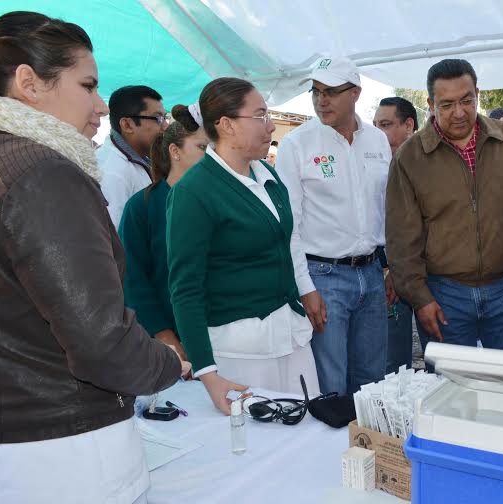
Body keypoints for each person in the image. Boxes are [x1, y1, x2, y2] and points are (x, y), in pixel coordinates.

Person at [0, 11, 185, 504]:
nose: (100, 105)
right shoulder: (43, 174)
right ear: (29, 83)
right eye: (88, 85)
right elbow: (98, 340)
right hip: (65, 445)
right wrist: (167, 363)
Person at [167, 77, 320, 414]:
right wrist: (206, 372)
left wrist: (305, 288)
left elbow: (288, 238)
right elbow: (185, 288)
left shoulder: (267, 175)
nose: (270, 127)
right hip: (241, 351)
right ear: (227, 126)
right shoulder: (194, 192)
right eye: (260, 116)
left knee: (303, 431)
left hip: (288, 336)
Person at [386, 58, 503, 355]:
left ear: (478, 93)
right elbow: (401, 238)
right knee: (450, 392)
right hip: (444, 293)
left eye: (467, 100)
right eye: (447, 104)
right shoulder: (410, 157)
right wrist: (420, 297)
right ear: (431, 103)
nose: (459, 112)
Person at [276, 56, 392, 395]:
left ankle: (367, 447)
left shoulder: (376, 141)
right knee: (331, 382)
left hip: (372, 273)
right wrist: (305, 287)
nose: (320, 100)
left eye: (330, 92)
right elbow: (289, 226)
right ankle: (333, 449)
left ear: (355, 93)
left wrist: (391, 267)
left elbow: (387, 209)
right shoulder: (297, 144)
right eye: (315, 91)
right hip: (323, 277)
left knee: (372, 379)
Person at [119, 104, 209, 364]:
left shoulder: (218, 202)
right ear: (175, 151)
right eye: (202, 147)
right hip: (168, 338)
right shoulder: (142, 207)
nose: (211, 155)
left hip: (220, 332)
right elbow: (133, 276)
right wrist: (163, 334)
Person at [374, 96, 419, 373]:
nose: (378, 133)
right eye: (376, 125)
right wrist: (389, 268)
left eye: (386, 124)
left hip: (432, 275)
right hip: (388, 275)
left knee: (442, 358)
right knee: (394, 361)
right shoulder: (373, 167)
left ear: (409, 125)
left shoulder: (431, 165)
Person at [97, 85, 168, 228]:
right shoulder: (112, 173)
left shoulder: (142, 158)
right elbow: (116, 237)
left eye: (164, 117)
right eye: (158, 118)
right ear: (127, 125)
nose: (166, 126)